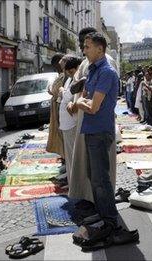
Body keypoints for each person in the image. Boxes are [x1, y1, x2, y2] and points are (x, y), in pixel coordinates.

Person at [68, 27, 118, 210]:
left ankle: (108, 217)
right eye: (83, 46)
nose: (84, 50)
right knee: (93, 174)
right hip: (89, 125)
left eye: (87, 46)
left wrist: (79, 103)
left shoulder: (106, 68)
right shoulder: (91, 66)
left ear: (99, 48)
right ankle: (98, 206)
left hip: (98, 126)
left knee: (100, 177)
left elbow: (94, 105)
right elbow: (82, 89)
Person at [59, 56, 82, 185]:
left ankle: (75, 182)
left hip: (71, 123)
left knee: (73, 155)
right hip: (67, 123)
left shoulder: (77, 79)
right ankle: (72, 180)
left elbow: (71, 98)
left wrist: (63, 93)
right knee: (70, 155)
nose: (65, 72)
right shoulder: (70, 80)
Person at [46, 53, 66, 158]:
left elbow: (59, 91)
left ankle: (65, 156)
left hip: (60, 107)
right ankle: (63, 155)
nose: (56, 68)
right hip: (56, 107)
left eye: (56, 65)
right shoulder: (60, 75)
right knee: (58, 133)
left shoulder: (65, 76)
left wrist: (51, 91)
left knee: (61, 133)